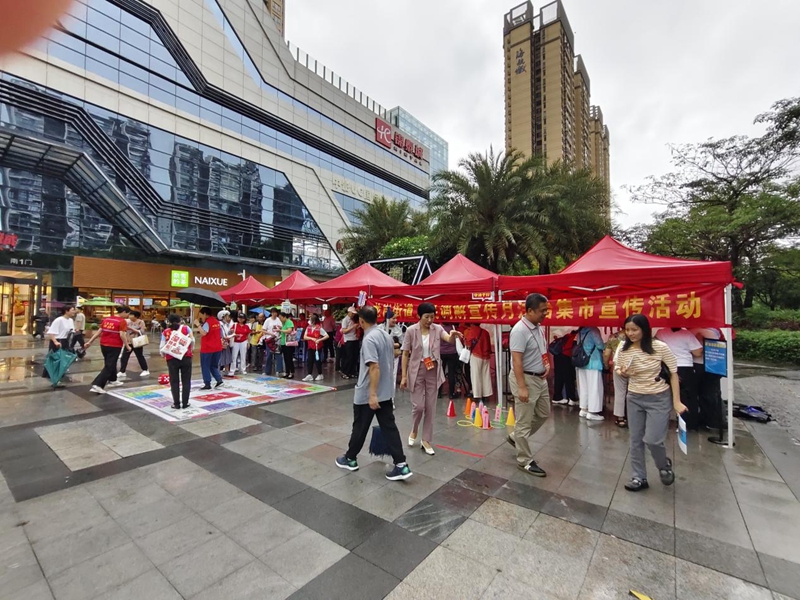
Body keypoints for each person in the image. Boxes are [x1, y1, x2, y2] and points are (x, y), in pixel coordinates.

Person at [335, 306, 412, 481]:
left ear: (361, 321)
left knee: (360, 427)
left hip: (369, 393)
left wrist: (372, 394)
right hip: (385, 391)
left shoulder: (369, 339)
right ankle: (401, 465)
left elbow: (374, 367)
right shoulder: (385, 335)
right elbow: (393, 354)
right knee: (389, 428)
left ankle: (350, 459)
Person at [616, 314, 687, 492]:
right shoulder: (623, 348)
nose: (630, 333)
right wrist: (623, 372)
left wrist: (677, 402)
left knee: (653, 440)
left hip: (658, 398)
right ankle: (638, 477)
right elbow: (619, 368)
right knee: (635, 440)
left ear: (645, 329)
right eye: (627, 330)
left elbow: (674, 374)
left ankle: (663, 465)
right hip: (634, 398)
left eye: (634, 329)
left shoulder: (660, 347)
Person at [400, 303, 464, 456]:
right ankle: (414, 430)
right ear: (419, 316)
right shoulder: (411, 331)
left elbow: (447, 339)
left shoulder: (438, 329)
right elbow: (405, 353)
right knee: (418, 406)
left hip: (433, 369)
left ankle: (426, 439)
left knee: (430, 406)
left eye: (432, 317)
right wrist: (403, 376)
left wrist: (453, 335)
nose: (430, 320)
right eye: (426, 317)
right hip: (416, 370)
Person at [506, 293, 551, 477]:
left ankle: (515, 437)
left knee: (544, 413)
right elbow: (517, 361)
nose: (545, 313)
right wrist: (522, 387)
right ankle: (524, 460)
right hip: (526, 379)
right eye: (542, 310)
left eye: (546, 310)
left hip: (540, 378)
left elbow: (540, 349)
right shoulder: (519, 331)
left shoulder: (537, 327)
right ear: (530, 311)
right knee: (524, 422)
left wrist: (545, 364)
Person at [655, 327, 703, 431]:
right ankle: (688, 424)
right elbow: (697, 352)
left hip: (666, 367)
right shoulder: (687, 334)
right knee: (687, 397)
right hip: (684, 367)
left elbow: (655, 346)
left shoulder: (661, 332)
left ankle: (662, 421)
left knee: (664, 394)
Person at [86, 305, 131, 394]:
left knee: (110, 363)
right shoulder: (122, 321)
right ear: (124, 312)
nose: (128, 316)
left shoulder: (107, 319)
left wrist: (90, 342)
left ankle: (113, 380)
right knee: (109, 365)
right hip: (114, 345)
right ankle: (98, 384)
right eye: (128, 314)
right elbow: (122, 335)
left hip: (103, 344)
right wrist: (127, 345)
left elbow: (99, 331)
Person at [691, 327, 724, 431]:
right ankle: (707, 420)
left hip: (705, 364)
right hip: (707, 364)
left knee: (708, 394)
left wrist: (699, 331)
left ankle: (712, 421)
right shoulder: (714, 330)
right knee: (706, 394)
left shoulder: (711, 331)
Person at [159, 314, 194, 409]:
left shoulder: (166, 332)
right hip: (185, 357)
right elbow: (192, 341)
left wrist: (164, 355)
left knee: (174, 381)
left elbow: (162, 347)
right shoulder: (186, 329)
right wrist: (190, 350)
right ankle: (185, 403)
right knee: (186, 381)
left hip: (171, 359)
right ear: (180, 320)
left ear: (168, 321)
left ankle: (176, 403)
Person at [575, 326, 606, 421]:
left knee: (583, 387)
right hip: (593, 362)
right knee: (594, 388)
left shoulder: (580, 331)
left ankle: (584, 409)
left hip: (581, 363)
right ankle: (593, 412)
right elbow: (600, 345)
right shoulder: (594, 330)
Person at [194, 306, 224, 390]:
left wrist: (198, 324)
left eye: (201, 315)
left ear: (205, 314)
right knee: (213, 365)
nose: (201, 317)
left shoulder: (207, 323)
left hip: (207, 348)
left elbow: (204, 333)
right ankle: (219, 379)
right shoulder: (216, 322)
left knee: (205, 366)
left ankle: (207, 383)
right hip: (217, 347)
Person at [605, 330, 628, 427]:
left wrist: (606, 365)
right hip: (635, 366)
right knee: (634, 392)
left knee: (620, 392)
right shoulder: (639, 335)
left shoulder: (613, 337)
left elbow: (606, 354)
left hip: (618, 366)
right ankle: (633, 416)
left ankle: (620, 418)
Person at [465, 323, 493, 403]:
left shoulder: (471, 331)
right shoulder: (485, 332)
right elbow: (489, 345)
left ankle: (477, 395)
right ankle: (486, 394)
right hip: (486, 356)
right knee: (486, 376)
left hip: (476, 355)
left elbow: (468, 344)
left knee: (476, 376)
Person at [118, 310, 150, 380]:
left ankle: (145, 370)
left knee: (139, 356)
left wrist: (130, 328)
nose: (130, 316)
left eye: (131, 315)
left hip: (137, 342)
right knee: (124, 357)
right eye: (130, 315)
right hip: (128, 342)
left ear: (136, 316)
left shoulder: (141, 322)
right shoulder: (126, 321)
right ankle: (122, 371)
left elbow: (141, 332)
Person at [550, 330, 578, 407]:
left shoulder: (567, 336)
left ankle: (557, 397)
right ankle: (572, 398)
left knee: (559, 377)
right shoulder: (576, 337)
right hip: (566, 357)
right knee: (569, 378)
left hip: (558, 356)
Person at [303, 313, 328, 381]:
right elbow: (305, 337)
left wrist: (319, 340)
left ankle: (320, 374)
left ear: (314, 321)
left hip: (317, 347)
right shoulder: (308, 328)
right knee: (309, 360)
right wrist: (311, 338)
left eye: (310, 320)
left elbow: (326, 336)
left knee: (317, 360)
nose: (309, 321)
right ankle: (309, 374)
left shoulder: (319, 328)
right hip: (310, 346)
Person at [439, 323, 460, 399]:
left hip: (441, 352)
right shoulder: (453, 327)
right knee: (451, 373)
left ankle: (439, 392)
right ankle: (451, 393)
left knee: (440, 373)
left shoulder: (439, 328)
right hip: (452, 352)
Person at [385, 310, 405, 384]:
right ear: (387, 318)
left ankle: (391, 390)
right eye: (393, 318)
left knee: (393, 374)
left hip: (394, 354)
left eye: (396, 318)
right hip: (382, 355)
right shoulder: (380, 328)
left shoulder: (398, 329)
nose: (395, 320)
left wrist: (394, 345)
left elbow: (401, 343)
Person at [263, 308, 284, 376]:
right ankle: (267, 371)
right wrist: (270, 334)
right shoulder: (268, 320)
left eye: (276, 312)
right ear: (271, 313)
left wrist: (279, 329)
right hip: (269, 339)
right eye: (273, 312)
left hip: (277, 340)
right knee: (269, 355)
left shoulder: (279, 320)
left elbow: (282, 328)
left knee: (278, 355)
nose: (274, 314)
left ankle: (279, 370)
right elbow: (263, 330)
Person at [340, 306, 360, 379]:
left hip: (355, 339)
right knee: (349, 357)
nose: (353, 315)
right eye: (352, 313)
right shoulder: (345, 320)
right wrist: (353, 327)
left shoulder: (353, 319)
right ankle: (345, 371)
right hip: (348, 340)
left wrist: (357, 327)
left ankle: (352, 371)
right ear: (349, 312)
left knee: (355, 356)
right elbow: (344, 331)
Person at [279, 312, 296, 379]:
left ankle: (291, 372)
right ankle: (287, 372)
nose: (280, 319)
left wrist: (280, 330)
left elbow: (289, 330)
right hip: (284, 342)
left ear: (284, 317)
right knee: (285, 358)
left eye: (281, 318)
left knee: (289, 358)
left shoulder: (289, 322)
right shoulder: (283, 323)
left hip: (289, 343)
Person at [218, 310, 234, 376]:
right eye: (227, 316)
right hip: (221, 343)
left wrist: (230, 332)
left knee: (227, 357)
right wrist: (231, 335)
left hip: (225, 343)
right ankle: (217, 371)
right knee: (220, 357)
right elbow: (222, 335)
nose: (228, 318)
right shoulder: (220, 324)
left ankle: (226, 371)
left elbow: (226, 333)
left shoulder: (225, 324)